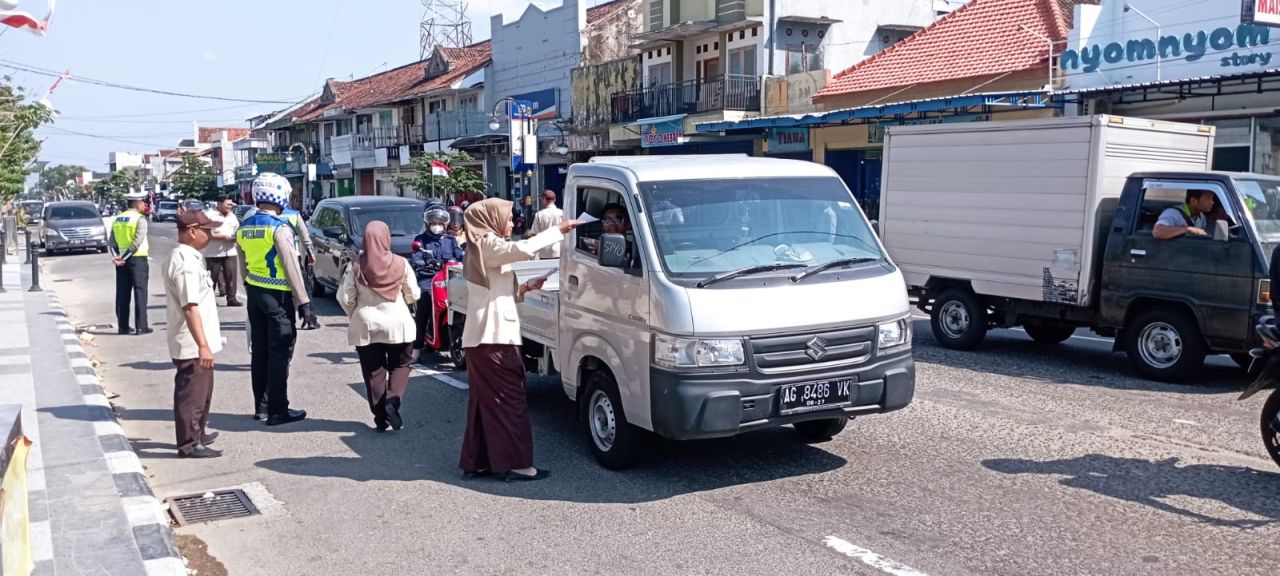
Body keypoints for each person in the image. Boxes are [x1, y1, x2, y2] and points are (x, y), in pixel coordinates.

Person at [458, 199, 579, 482]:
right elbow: (522, 248)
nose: (512, 224)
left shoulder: (481, 247)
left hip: (484, 338)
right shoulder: (486, 243)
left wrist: (525, 287)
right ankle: (516, 465)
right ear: (489, 219)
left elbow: (494, 292)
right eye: (509, 218)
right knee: (509, 401)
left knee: (485, 403)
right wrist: (559, 230)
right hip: (494, 339)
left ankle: (479, 461)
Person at [237, 173, 316, 426]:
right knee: (279, 353)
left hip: (254, 294)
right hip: (278, 296)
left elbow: (242, 265)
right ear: (280, 195)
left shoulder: (245, 226)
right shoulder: (279, 228)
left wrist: (249, 287)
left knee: (259, 352)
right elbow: (291, 266)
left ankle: (260, 407)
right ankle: (278, 410)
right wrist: (304, 302)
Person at [339, 221, 421, 432]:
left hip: (366, 324)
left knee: (374, 372)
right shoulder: (401, 263)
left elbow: (346, 298)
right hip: (398, 323)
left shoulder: (356, 265)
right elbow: (413, 293)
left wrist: (356, 315)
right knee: (401, 365)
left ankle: (380, 419)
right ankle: (392, 403)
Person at [165, 210, 224, 458]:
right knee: (192, 394)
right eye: (206, 230)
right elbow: (190, 307)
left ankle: (197, 433)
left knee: (203, 392)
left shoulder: (191, 256)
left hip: (200, 340)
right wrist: (202, 345)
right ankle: (189, 444)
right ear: (192, 231)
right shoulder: (185, 262)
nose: (210, 234)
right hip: (192, 342)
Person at [412, 204, 465, 350]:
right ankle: (417, 347)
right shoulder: (420, 240)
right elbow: (416, 258)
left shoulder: (451, 240)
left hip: (450, 278)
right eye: (433, 223)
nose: (437, 226)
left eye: (439, 223)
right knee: (424, 303)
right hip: (429, 279)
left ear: (445, 224)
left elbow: (460, 254)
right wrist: (424, 262)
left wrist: (469, 257)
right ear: (428, 224)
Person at [109, 191, 153, 335]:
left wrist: (118, 257)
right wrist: (125, 257)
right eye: (143, 203)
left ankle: (123, 326)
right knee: (140, 292)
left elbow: (112, 242)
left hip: (121, 262)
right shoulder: (139, 219)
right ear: (137, 204)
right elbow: (137, 241)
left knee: (122, 293)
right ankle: (141, 326)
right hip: (137, 259)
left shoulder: (118, 219)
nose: (145, 205)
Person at [203, 195, 242, 307]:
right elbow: (206, 234)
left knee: (231, 275)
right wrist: (222, 237)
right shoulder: (210, 215)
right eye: (228, 204)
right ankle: (208, 300)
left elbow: (237, 230)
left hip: (230, 250)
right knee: (212, 277)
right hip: (213, 252)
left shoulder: (232, 216)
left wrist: (236, 237)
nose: (230, 207)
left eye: (231, 204)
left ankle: (231, 298)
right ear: (219, 204)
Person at [529, 189, 564, 259]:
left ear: (544, 199)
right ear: (555, 200)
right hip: (559, 251)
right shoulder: (562, 213)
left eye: (542, 199)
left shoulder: (539, 215)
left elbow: (534, 233)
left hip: (544, 252)